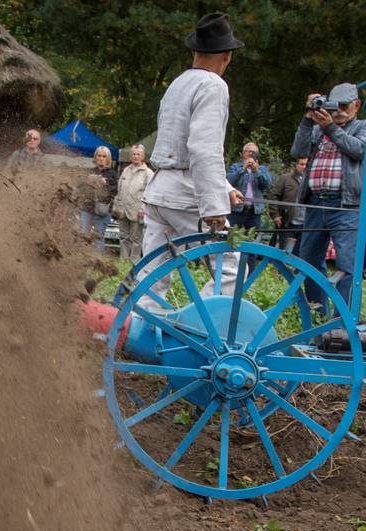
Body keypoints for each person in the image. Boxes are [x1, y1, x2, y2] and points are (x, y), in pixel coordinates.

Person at [137, 13, 245, 312]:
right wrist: (215, 206)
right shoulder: (213, 85)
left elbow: (178, 145)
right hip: (185, 194)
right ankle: (197, 327)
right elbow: (203, 148)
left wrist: (225, 187)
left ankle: (140, 327)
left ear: (195, 51)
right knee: (232, 269)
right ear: (227, 56)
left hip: (160, 190)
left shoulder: (178, 84)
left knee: (152, 275)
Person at [291, 81, 366, 313]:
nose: (339, 111)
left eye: (345, 106)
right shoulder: (318, 128)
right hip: (316, 202)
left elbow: (360, 150)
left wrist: (330, 128)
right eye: (335, 106)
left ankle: (342, 321)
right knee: (309, 260)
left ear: (356, 105)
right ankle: (317, 313)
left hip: (345, 205)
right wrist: (308, 119)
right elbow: (298, 151)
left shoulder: (364, 126)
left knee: (346, 264)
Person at [112, 144, 153, 261]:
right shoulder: (126, 170)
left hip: (137, 210)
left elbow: (150, 193)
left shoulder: (148, 173)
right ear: (131, 156)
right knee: (123, 236)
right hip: (123, 209)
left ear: (143, 156)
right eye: (133, 154)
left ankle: (134, 261)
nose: (135, 156)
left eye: (138, 154)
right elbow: (119, 188)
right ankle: (123, 260)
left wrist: (143, 208)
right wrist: (117, 204)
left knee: (136, 238)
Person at [77, 146, 119, 251]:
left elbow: (115, 190)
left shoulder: (113, 174)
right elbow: (80, 188)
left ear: (108, 159)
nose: (101, 158)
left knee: (98, 236)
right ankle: (83, 256)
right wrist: (88, 182)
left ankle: (97, 258)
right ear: (95, 157)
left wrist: (105, 184)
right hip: (87, 207)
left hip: (102, 209)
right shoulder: (89, 172)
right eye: (99, 156)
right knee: (83, 234)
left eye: (104, 156)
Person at [225, 142, 271, 229]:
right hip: (236, 209)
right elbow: (228, 182)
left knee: (252, 235)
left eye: (254, 152)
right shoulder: (235, 167)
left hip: (254, 211)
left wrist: (256, 171)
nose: (251, 154)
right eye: (249, 151)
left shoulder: (262, 169)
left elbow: (267, 184)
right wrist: (243, 169)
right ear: (243, 154)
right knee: (231, 234)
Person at [268, 157, 307, 253]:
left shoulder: (311, 181)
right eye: (301, 164)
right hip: (288, 223)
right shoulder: (285, 178)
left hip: (306, 224)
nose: (304, 167)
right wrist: (275, 215)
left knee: (300, 255)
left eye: (306, 165)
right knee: (285, 253)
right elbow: (273, 196)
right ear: (296, 165)